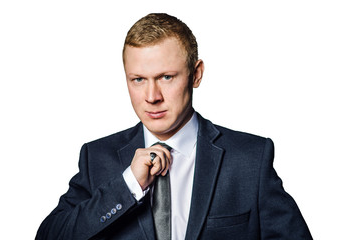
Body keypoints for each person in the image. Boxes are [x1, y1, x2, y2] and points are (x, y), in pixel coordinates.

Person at [36, 13, 312, 240]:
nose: (152, 96)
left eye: (166, 77)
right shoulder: (97, 158)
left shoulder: (249, 157)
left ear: (196, 74)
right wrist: (129, 184)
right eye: (138, 80)